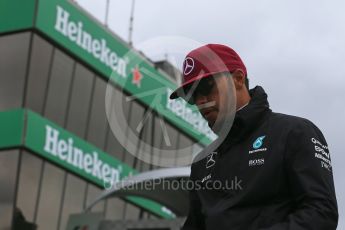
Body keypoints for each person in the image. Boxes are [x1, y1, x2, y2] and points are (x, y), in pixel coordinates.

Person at [169, 44, 338, 229]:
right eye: (192, 96)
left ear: (238, 79)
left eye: (206, 87)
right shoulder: (202, 163)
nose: (201, 101)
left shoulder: (294, 132)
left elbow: (321, 213)